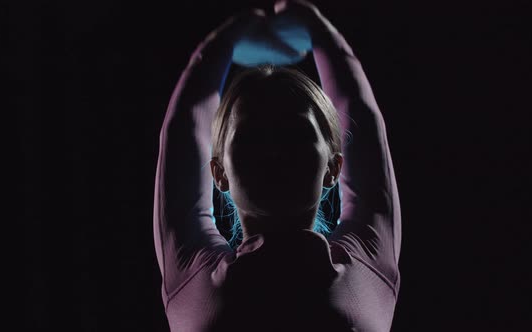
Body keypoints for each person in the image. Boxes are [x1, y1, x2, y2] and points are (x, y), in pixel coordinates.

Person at [153, 1, 402, 331]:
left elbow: (367, 131)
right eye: (251, 137)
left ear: (333, 167)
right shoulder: (367, 273)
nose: (274, 152)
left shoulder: (194, 286)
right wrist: (319, 34)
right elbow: (181, 135)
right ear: (218, 172)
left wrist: (221, 45)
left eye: (295, 134)